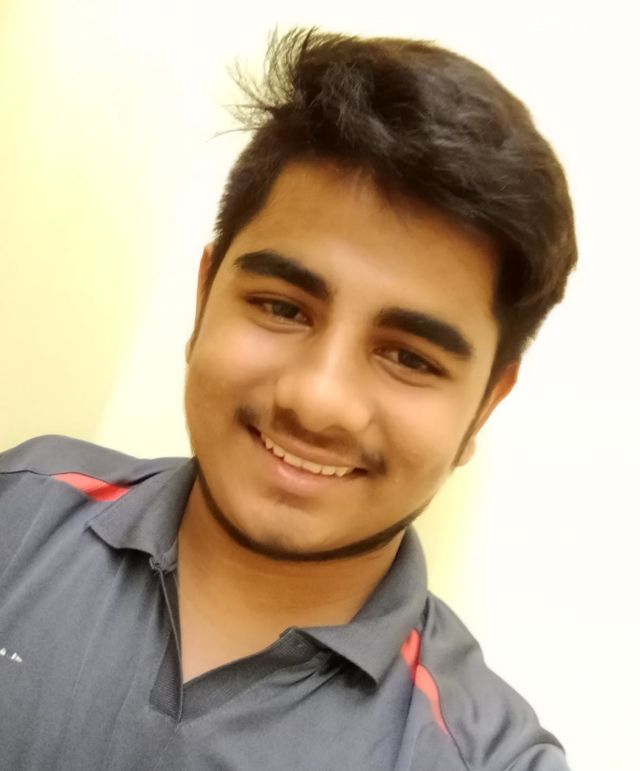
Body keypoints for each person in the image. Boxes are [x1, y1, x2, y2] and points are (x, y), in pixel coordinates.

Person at [0, 28, 576, 770]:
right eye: (282, 308)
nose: (318, 400)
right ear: (206, 296)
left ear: (486, 407)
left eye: (409, 357)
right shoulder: (19, 512)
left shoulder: (484, 757)